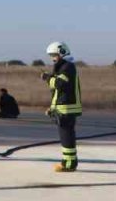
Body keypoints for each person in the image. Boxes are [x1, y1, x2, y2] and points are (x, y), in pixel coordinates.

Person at [41, 41, 81, 173]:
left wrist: (48, 78)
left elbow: (60, 84)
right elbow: (58, 92)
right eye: (51, 55)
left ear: (62, 52)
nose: (52, 58)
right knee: (65, 138)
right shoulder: (63, 67)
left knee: (67, 138)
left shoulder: (67, 67)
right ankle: (66, 162)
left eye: (54, 54)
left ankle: (69, 164)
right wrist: (52, 108)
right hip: (63, 109)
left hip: (67, 109)